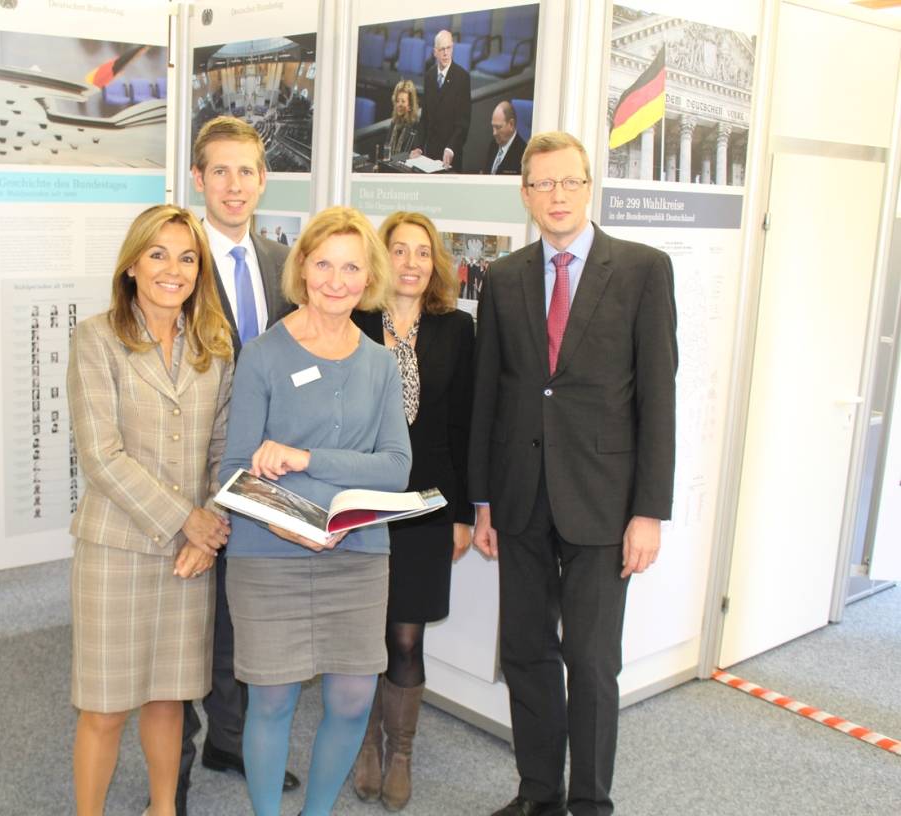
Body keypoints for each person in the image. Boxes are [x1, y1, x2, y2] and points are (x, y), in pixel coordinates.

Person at [468, 132, 677, 816]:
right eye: (542, 185)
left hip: (604, 503)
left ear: (590, 187)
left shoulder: (644, 269)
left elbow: (657, 397)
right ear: (525, 194)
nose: (556, 197)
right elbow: (489, 396)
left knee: (590, 662)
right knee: (526, 652)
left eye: (569, 183)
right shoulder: (504, 277)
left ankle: (589, 802)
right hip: (521, 496)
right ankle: (538, 792)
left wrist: (649, 510)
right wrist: (483, 501)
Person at [221, 206, 412, 816]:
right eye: (324, 263)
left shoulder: (381, 363)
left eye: (351, 267)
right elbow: (232, 471)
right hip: (269, 554)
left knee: (354, 700)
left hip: (356, 556)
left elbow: (395, 468)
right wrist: (282, 520)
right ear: (301, 269)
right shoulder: (262, 355)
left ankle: (317, 811)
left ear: (369, 276)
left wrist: (305, 457)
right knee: (272, 701)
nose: (337, 280)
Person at [65, 204, 235, 816]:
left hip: (189, 559)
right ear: (133, 264)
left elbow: (224, 451)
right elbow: (101, 455)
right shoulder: (96, 339)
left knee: (169, 701)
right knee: (106, 707)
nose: (173, 269)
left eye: (187, 257)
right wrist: (188, 519)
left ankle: (163, 809)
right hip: (116, 551)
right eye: (158, 254)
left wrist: (209, 528)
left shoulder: (214, 347)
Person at [181, 115, 300, 812]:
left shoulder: (284, 259)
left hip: (263, 470)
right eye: (219, 171)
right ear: (199, 179)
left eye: (246, 172)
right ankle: (178, 772)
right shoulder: (176, 257)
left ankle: (229, 737)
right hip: (190, 471)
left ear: (263, 179)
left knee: (243, 616)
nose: (234, 185)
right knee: (184, 624)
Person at [350, 211, 474, 811]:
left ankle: (399, 751)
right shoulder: (353, 321)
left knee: (404, 635)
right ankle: (363, 744)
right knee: (364, 632)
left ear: (436, 263)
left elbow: (462, 425)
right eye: (398, 250)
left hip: (428, 507)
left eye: (422, 252)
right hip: (365, 503)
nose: (411, 263)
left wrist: (464, 513)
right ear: (382, 258)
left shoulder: (456, 330)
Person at [411, 30, 471, 171]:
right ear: (434, 52)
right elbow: (425, 118)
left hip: (451, 154)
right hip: (430, 155)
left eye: (448, 48)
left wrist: (451, 148)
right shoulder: (429, 76)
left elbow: (463, 123)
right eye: (441, 49)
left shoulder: (462, 78)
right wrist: (418, 146)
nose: (445, 53)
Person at [485, 100, 525, 175]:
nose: (494, 133)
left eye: (498, 127)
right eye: (493, 127)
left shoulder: (523, 153)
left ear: (511, 124)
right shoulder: (493, 145)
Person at [384, 80, 422, 158]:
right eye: (397, 101)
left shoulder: (415, 126)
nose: (399, 104)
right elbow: (386, 149)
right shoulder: (394, 122)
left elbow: (413, 156)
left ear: (410, 105)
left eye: (403, 101)